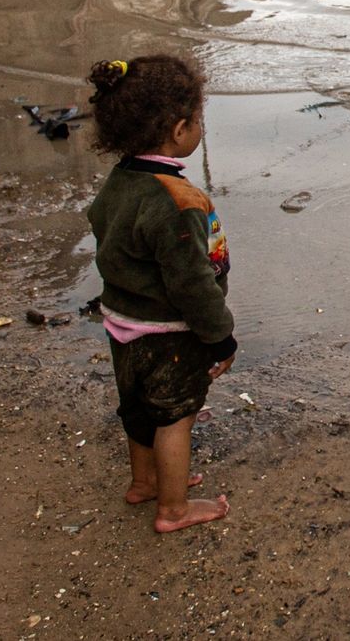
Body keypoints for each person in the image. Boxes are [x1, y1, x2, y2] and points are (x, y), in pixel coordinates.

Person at [83, 54, 234, 534]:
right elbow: (191, 283)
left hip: (122, 322)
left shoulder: (119, 183)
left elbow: (103, 231)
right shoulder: (178, 200)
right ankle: (173, 509)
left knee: (139, 410)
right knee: (176, 417)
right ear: (178, 129)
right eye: (198, 123)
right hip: (170, 332)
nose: (199, 131)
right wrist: (220, 336)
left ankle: (145, 482)